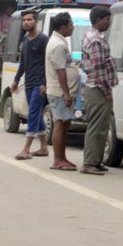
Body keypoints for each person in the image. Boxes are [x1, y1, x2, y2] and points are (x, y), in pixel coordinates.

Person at [80, 6, 118, 175]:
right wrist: (106, 90)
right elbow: (99, 67)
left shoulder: (93, 36)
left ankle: (96, 160)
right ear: (98, 20)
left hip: (97, 87)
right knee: (96, 126)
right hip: (98, 88)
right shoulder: (95, 40)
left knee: (103, 126)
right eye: (106, 19)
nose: (108, 22)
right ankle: (89, 162)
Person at [11, 9, 49, 160]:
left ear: (36, 21)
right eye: (24, 20)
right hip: (28, 83)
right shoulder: (26, 40)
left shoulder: (43, 40)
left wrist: (45, 83)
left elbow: (48, 63)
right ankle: (44, 147)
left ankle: (26, 149)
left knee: (32, 113)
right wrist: (16, 80)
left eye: (29, 20)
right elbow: (23, 63)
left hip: (39, 84)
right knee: (37, 115)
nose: (26, 22)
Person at [45, 12, 79, 171]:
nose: (73, 27)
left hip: (63, 91)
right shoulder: (58, 45)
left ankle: (62, 158)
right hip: (60, 92)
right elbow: (60, 71)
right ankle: (58, 160)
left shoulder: (60, 41)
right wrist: (66, 93)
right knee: (60, 123)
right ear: (64, 27)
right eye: (71, 24)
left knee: (65, 124)